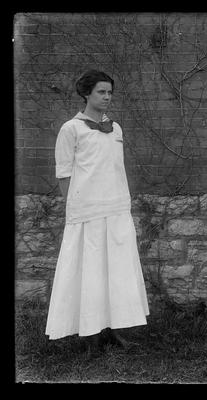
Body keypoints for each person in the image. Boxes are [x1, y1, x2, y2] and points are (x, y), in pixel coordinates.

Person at [45, 69, 149, 355]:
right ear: (86, 94)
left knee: (116, 273)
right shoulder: (71, 129)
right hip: (86, 213)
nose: (106, 97)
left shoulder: (116, 129)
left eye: (110, 92)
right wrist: (73, 211)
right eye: (101, 92)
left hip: (116, 209)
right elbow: (64, 174)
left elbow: (115, 170)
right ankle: (90, 336)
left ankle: (115, 330)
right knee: (89, 274)